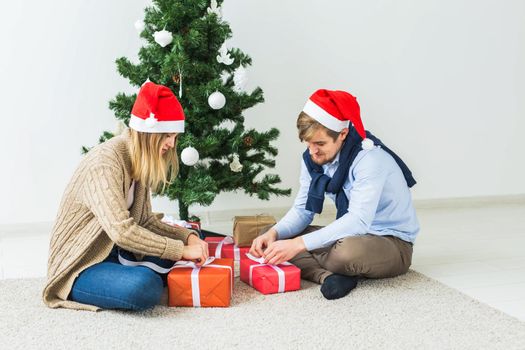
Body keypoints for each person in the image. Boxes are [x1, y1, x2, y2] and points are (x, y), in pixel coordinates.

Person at [42, 82, 208, 311]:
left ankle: (144, 268)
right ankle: (143, 274)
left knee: (194, 239)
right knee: (144, 287)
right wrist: (180, 250)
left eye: (174, 137)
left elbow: (145, 221)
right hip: (81, 265)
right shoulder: (105, 162)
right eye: (167, 136)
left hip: (115, 251)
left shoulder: (137, 159)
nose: (171, 144)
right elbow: (123, 231)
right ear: (149, 134)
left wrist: (187, 237)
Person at [250, 89, 420, 300]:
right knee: (270, 235)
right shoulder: (313, 158)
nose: (312, 151)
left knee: (345, 253)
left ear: (342, 134)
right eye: (308, 143)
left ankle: (332, 266)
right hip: (349, 235)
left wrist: (298, 244)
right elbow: (303, 210)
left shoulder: (369, 160)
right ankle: (330, 277)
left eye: (320, 144)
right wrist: (274, 234)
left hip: (391, 242)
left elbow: (358, 221)